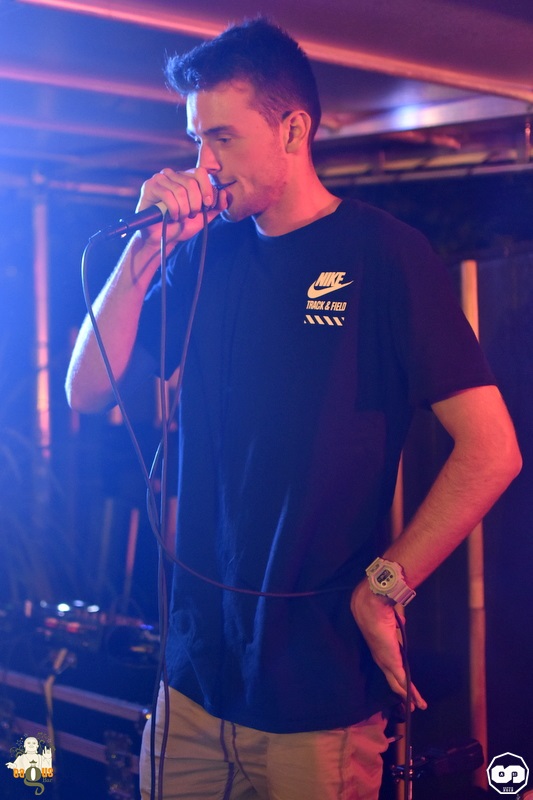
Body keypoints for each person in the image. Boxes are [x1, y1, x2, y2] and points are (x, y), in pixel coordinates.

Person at [65, 18, 522, 800]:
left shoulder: (382, 254)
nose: (205, 165)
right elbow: (86, 388)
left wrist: (386, 585)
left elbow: (491, 450)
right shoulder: (204, 252)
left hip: (316, 692)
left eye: (223, 138)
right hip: (192, 681)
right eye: (196, 141)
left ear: (292, 130)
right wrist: (144, 252)